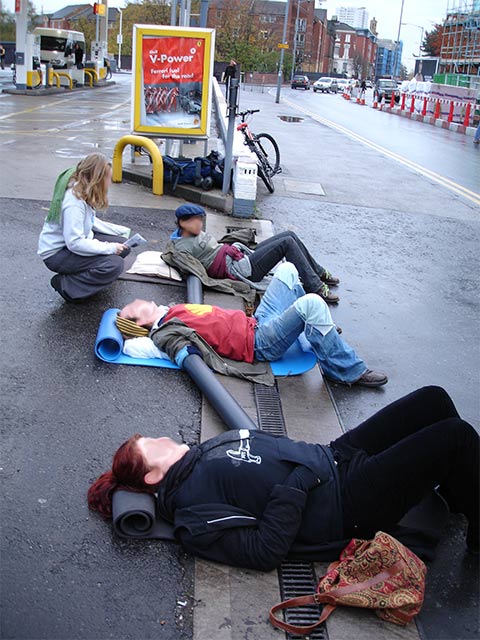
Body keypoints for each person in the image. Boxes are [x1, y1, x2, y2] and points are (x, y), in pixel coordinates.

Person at [87, 386, 479, 570]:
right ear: (153, 476)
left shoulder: (200, 456)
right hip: (343, 502)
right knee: (455, 436)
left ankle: (462, 496)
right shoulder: (193, 516)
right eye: (151, 445)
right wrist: (297, 483)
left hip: (333, 457)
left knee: (434, 400)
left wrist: (311, 464)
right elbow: (264, 551)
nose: (160, 437)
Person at [118, 261, 387, 387]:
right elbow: (145, 348)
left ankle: (318, 330)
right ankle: (344, 370)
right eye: (134, 307)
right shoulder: (164, 334)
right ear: (139, 322)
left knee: (287, 270)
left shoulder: (169, 312)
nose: (139, 300)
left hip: (256, 322)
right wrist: (128, 338)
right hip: (259, 343)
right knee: (313, 303)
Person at [167, 204, 340, 303]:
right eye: (195, 221)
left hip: (241, 256)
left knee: (289, 235)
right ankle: (316, 288)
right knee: (286, 244)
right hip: (240, 270)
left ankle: (318, 273)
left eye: (200, 220)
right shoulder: (182, 248)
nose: (199, 224)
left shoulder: (193, 233)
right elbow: (195, 270)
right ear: (182, 222)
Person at [38, 153, 132, 302]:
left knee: (123, 246)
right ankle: (68, 285)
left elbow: (91, 223)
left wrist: (121, 233)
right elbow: (74, 242)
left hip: (69, 245)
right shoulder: (74, 202)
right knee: (114, 264)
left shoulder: (82, 191)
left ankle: (84, 277)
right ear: (98, 178)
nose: (110, 182)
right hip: (57, 254)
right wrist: (110, 248)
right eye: (108, 178)